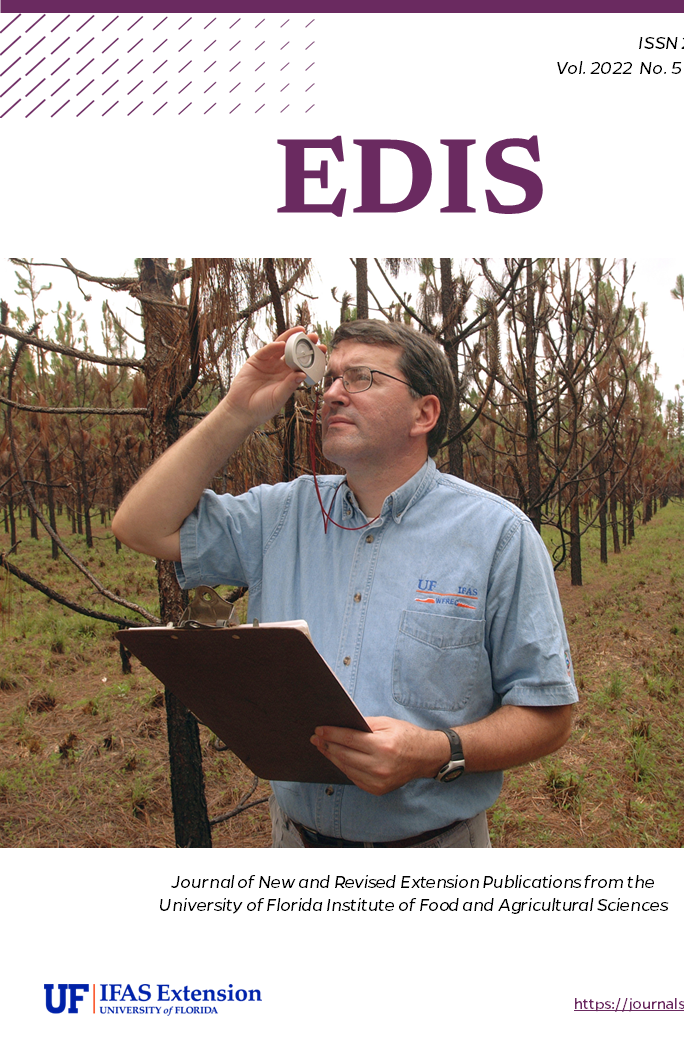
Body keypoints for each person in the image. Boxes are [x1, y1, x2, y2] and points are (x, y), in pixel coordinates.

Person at [112, 319, 577, 848]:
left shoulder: (497, 535)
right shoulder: (282, 515)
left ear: (423, 413)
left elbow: (549, 716)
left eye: (361, 378)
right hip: (295, 843)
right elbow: (140, 526)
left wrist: (433, 750)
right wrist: (237, 411)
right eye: (330, 378)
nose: (332, 393)